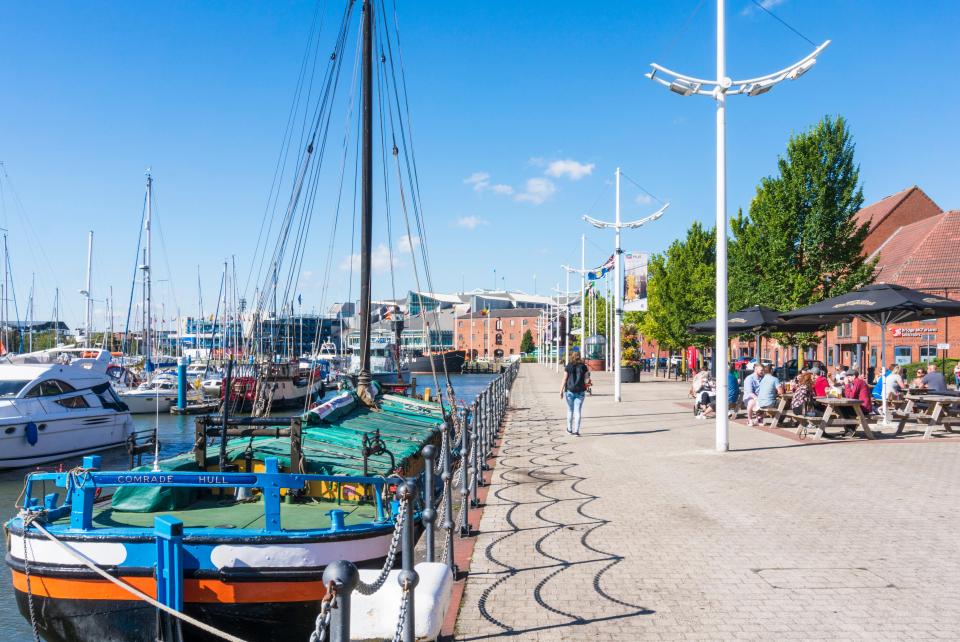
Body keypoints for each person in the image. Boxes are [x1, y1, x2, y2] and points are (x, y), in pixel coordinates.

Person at [561, 352, 590, 435]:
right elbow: (587, 379)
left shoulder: (569, 365)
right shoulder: (583, 366)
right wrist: (585, 383)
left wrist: (561, 391)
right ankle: (576, 431)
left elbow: (564, 378)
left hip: (569, 391)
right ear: (579, 357)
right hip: (580, 391)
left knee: (570, 410)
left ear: (572, 356)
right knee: (578, 411)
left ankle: (569, 429)